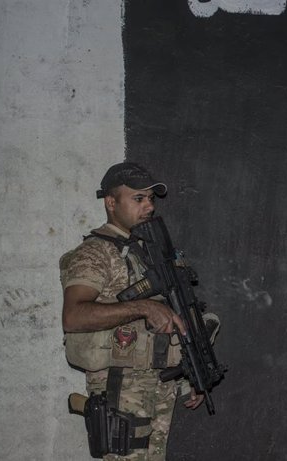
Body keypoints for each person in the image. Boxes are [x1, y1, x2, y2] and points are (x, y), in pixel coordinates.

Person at [60, 162, 216, 460]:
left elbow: (174, 321)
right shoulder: (95, 252)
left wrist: (193, 377)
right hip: (120, 386)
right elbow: (73, 316)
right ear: (111, 202)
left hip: (159, 382)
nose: (149, 207)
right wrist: (142, 306)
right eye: (138, 199)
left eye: (151, 200)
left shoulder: (149, 251)